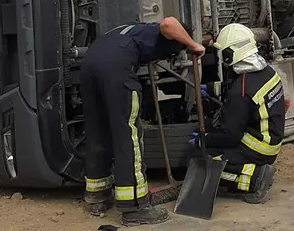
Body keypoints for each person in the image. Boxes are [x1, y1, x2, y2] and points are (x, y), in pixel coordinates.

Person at [80, 17, 207, 227]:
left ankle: (97, 197)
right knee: (127, 134)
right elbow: (169, 23)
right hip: (115, 69)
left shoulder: (132, 30)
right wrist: (193, 45)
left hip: (89, 66)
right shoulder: (162, 31)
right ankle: (134, 207)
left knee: (98, 131)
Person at [191, 23, 284, 204]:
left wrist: (203, 140)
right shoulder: (266, 72)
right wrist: (210, 88)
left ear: (230, 54)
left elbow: (230, 135)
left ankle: (256, 177)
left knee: (206, 158)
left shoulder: (240, 92)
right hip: (270, 139)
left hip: (257, 147)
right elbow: (238, 88)